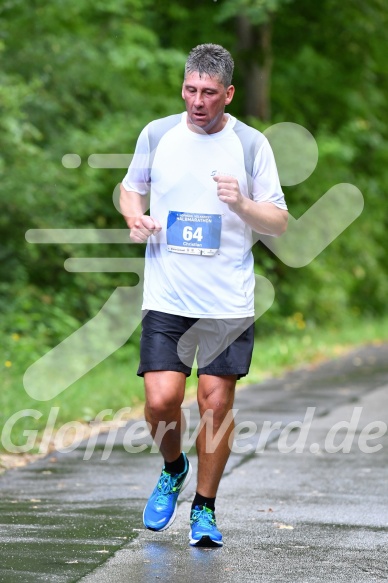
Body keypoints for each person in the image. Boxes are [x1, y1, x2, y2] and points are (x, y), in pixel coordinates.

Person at [120, 43, 288, 547]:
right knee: (160, 401)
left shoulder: (252, 145)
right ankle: (174, 467)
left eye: (209, 93)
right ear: (183, 87)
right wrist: (135, 216)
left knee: (215, 405)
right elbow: (132, 187)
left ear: (228, 94)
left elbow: (278, 221)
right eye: (191, 90)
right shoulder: (157, 134)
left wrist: (242, 203)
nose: (197, 101)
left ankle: (205, 510)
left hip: (226, 302)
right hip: (168, 294)